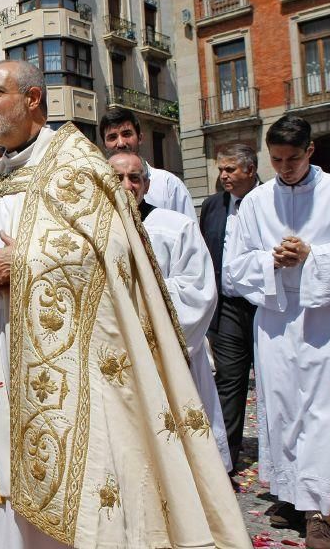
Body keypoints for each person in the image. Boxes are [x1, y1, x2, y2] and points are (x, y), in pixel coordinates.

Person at [0, 60, 249, 547]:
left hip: (72, 374)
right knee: (6, 500)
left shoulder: (76, 165)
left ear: (33, 99)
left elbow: (114, 256)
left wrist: (24, 260)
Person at [224, 115, 330, 547]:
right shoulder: (256, 202)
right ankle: (292, 493)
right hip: (276, 319)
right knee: (281, 410)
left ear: (310, 151)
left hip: (326, 318)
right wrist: (270, 262)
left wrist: (312, 255)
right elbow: (235, 269)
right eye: (276, 160)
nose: (285, 167)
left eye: (293, 159)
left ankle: (321, 509)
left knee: (323, 411)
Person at [108, 153, 231, 471]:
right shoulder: (94, 234)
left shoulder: (176, 227)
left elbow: (199, 291)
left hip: (172, 353)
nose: (126, 185)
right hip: (120, 359)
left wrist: (138, 296)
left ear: (146, 184)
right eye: (117, 178)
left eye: (135, 178)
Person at [199, 143, 260, 477]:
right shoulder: (213, 206)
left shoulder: (268, 201)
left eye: (230, 169)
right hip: (228, 309)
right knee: (229, 383)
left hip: (265, 307)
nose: (223, 176)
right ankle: (226, 459)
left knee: (273, 384)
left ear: (250, 170)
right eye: (221, 169)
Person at [100, 107, 196, 220]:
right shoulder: (97, 188)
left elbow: (188, 231)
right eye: (112, 137)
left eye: (126, 134)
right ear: (104, 145)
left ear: (140, 138)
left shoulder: (168, 184)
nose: (121, 143)